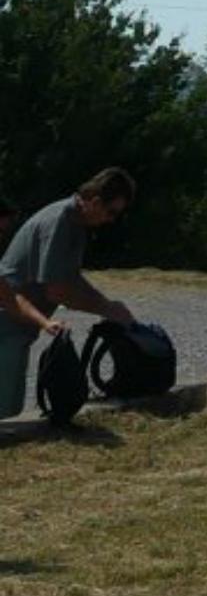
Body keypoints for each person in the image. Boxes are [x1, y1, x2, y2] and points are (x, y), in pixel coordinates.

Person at [1, 169, 136, 423]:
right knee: (5, 404)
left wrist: (108, 304)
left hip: (18, 323)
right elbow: (58, 291)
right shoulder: (61, 222)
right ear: (95, 202)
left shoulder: (75, 223)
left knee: (9, 405)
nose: (111, 220)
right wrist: (107, 310)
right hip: (7, 320)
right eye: (112, 212)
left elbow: (71, 279)